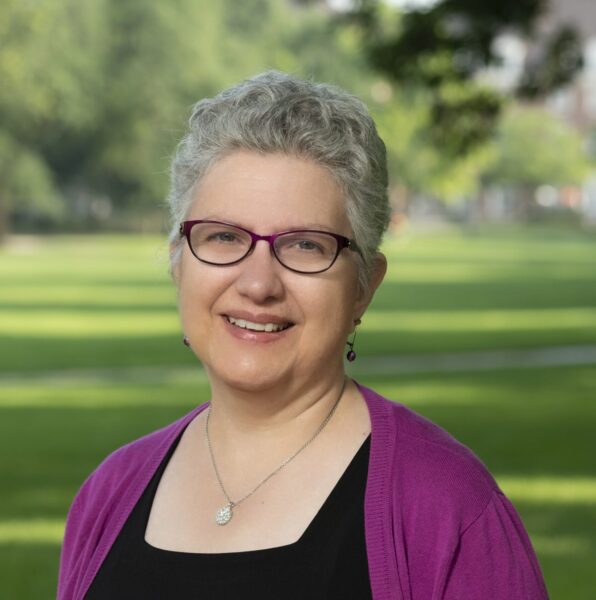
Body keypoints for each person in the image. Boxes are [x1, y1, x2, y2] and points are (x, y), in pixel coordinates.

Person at [57, 71, 549, 599]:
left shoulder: (447, 507)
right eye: (223, 237)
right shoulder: (108, 494)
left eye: (306, 246)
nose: (258, 283)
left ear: (364, 287)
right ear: (179, 264)